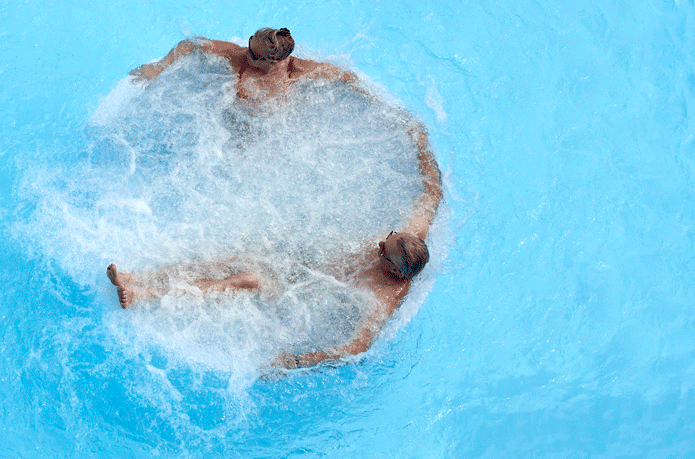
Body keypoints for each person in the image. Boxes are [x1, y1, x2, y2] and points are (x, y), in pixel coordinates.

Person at [105, 108, 444, 369]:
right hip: (303, 257)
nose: (378, 245)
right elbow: (432, 190)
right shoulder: (412, 236)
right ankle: (135, 277)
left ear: (395, 272)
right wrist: (419, 137)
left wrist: (297, 361)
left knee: (245, 280)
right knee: (226, 258)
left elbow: (359, 346)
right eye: (386, 237)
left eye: (383, 251)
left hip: (304, 290)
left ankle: (144, 295)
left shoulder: (386, 294)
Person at [129, 27, 359, 105]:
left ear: (272, 61)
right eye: (249, 43)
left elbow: (348, 77)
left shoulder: (296, 71)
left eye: (253, 53)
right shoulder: (238, 57)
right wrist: (160, 67)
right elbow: (191, 44)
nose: (245, 52)